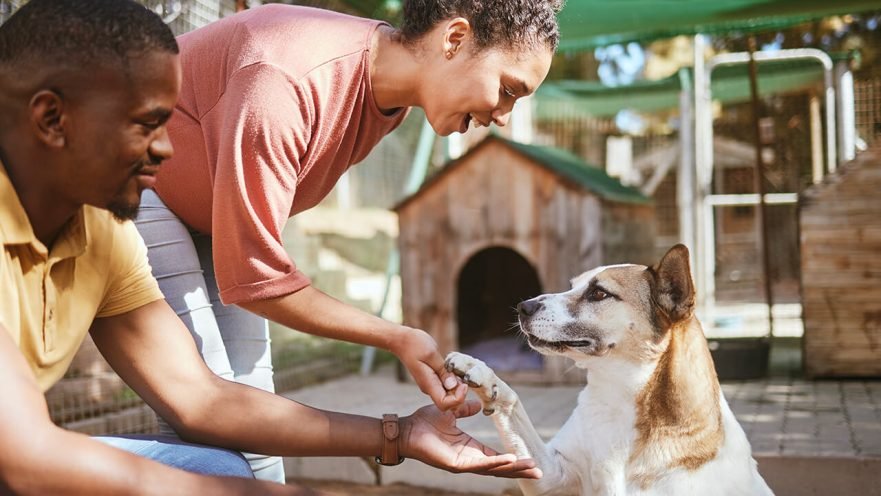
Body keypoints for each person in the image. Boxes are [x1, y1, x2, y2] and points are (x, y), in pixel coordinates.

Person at [0, 1, 542, 494]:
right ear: (454, 39)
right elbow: (27, 462)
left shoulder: (102, 235)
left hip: (198, 222)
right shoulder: (283, 76)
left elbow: (202, 400)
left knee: (225, 457)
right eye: (149, 124)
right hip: (163, 216)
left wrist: (398, 436)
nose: (168, 149)